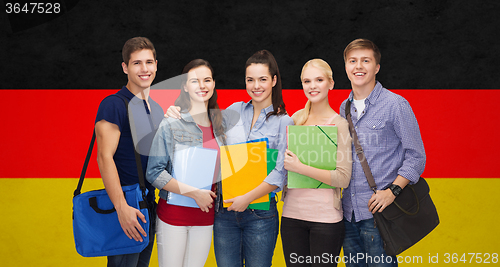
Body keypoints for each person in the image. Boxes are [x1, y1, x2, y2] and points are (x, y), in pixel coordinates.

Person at [166, 50, 294, 267]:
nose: (256, 85)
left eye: (263, 79)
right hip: (224, 212)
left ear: (274, 80)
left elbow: (281, 172)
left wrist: (247, 198)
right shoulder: (233, 111)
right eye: (250, 80)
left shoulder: (284, 122)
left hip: (260, 214)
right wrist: (176, 109)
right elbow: (201, 118)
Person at [339, 39, 426, 266]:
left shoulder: (396, 104)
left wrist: (392, 191)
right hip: (348, 214)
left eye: (365, 61)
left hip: (380, 216)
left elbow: (416, 156)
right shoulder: (343, 107)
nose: (359, 66)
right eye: (353, 61)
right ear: (346, 67)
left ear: (376, 67)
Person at [146, 59, 225, 267]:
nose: (202, 86)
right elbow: (154, 173)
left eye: (207, 80)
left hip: (205, 219)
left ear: (214, 84)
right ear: (185, 86)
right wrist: (194, 193)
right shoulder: (171, 122)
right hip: (173, 217)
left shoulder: (221, 125)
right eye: (195, 81)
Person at [94, 37, 164, 267]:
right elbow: (104, 157)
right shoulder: (113, 104)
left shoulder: (156, 109)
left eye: (149, 62)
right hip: (126, 206)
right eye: (136, 63)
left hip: (149, 206)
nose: (144, 69)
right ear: (125, 67)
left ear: (156, 64)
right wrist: (121, 207)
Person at [281, 59, 352, 266]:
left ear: (331, 83)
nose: (312, 86)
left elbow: (343, 178)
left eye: (319, 80)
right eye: (307, 81)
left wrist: (300, 168)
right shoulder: (295, 120)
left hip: (326, 220)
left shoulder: (339, 125)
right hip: (291, 217)